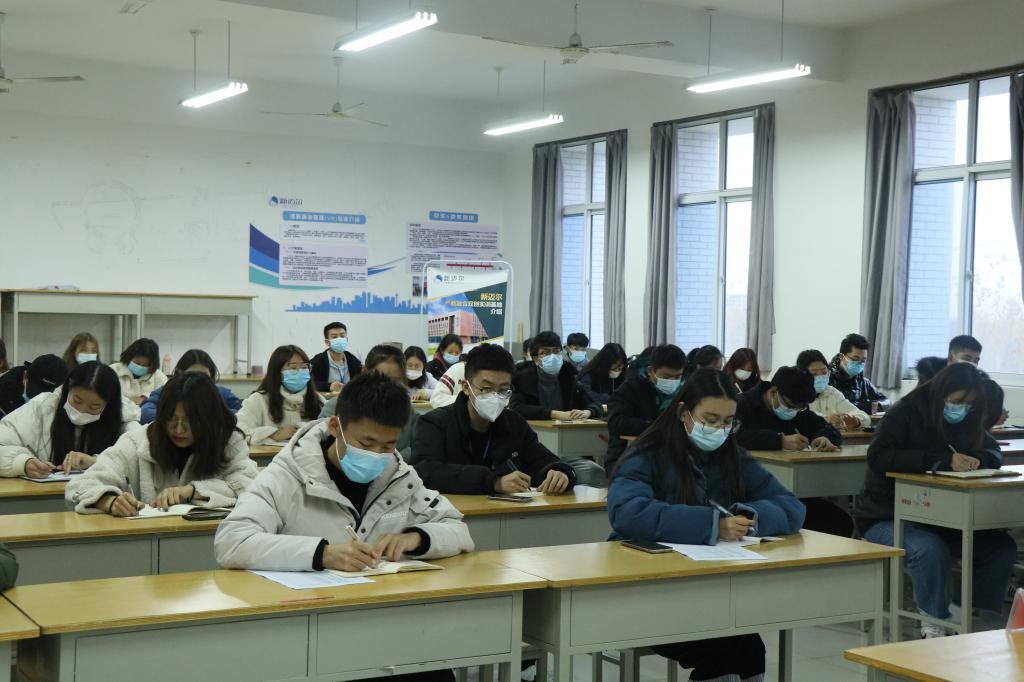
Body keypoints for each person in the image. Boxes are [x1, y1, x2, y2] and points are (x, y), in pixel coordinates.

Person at [608, 368, 805, 682]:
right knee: (721, 653)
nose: (719, 430)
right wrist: (713, 524)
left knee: (750, 648)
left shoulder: (732, 455)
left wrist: (751, 516)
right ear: (683, 412)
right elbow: (627, 512)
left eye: (728, 422)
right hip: (644, 588)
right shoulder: (647, 453)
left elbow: (791, 506)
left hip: (706, 587)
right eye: (710, 420)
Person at [214, 372, 474, 578]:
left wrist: (417, 537)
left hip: (380, 605)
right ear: (335, 427)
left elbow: (459, 531)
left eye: (388, 446)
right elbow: (231, 542)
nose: (376, 455)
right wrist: (322, 554)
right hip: (308, 610)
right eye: (366, 443)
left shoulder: (399, 476)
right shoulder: (287, 475)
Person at [854, 363, 1015, 638]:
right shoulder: (906, 412)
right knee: (929, 549)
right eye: (957, 401)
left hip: (941, 517)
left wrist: (980, 459)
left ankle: (964, 613)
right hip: (885, 514)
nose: (961, 408)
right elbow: (878, 456)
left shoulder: (968, 418)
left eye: (969, 404)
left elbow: (993, 451)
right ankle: (933, 623)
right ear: (942, 392)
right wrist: (938, 461)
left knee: (999, 547)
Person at [66, 372, 257, 515]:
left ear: (208, 419)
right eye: (171, 419)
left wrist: (192, 491)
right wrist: (108, 501)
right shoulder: (139, 441)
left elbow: (249, 484)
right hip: (149, 540)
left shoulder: (228, 440)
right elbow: (79, 486)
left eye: (190, 421)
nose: (179, 429)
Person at [413, 343, 577, 495]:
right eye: (486, 388)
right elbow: (424, 471)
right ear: (466, 387)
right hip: (452, 512)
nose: (495, 396)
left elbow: (541, 459)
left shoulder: (514, 424)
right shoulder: (435, 423)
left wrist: (560, 472)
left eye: (503, 390)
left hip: (507, 513)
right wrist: (493, 482)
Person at [736, 366, 852, 536]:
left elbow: (827, 428)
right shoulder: (742, 405)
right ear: (773, 392)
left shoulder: (798, 409)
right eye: (791, 406)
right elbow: (736, 436)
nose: (794, 412)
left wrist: (824, 438)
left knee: (840, 522)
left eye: (801, 408)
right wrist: (779, 440)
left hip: (794, 495)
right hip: (753, 495)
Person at [0, 362, 134, 478]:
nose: (82, 410)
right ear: (68, 387)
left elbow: (137, 460)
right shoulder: (43, 407)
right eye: (77, 400)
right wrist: (23, 463)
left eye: (94, 407)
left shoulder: (125, 419)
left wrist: (96, 461)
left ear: (108, 405)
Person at [320, 345, 419, 461]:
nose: (388, 387)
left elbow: (419, 448)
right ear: (365, 373)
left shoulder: (407, 412)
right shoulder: (337, 406)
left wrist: (392, 461)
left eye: (396, 381)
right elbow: (323, 445)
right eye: (381, 379)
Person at [605, 344, 686, 475]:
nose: (672, 381)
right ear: (650, 371)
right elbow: (616, 422)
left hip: (672, 458)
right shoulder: (629, 389)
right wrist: (657, 427)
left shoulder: (684, 392)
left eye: (677, 377)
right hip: (626, 458)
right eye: (666, 377)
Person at [237, 345, 324, 445]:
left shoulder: (317, 399)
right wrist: (273, 434)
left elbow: (331, 427)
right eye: (293, 368)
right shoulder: (258, 400)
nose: (300, 372)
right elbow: (238, 429)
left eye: (304, 367)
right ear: (277, 372)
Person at [510, 332, 603, 421]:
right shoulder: (523, 379)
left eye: (556, 351)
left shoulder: (569, 377)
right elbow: (516, 407)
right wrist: (553, 414)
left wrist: (588, 412)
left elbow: (595, 404)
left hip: (563, 430)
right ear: (536, 359)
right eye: (546, 352)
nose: (553, 356)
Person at [140, 349, 242, 424]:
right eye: (192, 375)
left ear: (211, 376)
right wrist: (180, 417)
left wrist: (209, 415)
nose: (198, 382)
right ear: (180, 373)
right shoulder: (167, 391)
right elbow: (144, 414)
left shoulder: (221, 393)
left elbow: (242, 414)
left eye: (204, 376)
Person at [796, 350, 870, 431]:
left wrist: (856, 421)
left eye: (824, 372)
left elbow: (864, 416)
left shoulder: (832, 392)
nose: (820, 377)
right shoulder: (795, 395)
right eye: (814, 374)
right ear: (802, 375)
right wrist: (826, 419)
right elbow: (799, 421)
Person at [827, 333, 888, 414]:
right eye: (855, 359)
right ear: (842, 357)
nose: (859, 363)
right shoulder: (826, 380)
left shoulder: (863, 382)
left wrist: (875, 406)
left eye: (863, 360)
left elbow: (886, 402)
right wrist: (864, 407)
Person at [0, 354, 69, 418]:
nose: (39, 399)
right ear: (25, 376)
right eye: (35, 393)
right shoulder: (3, 393)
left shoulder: (65, 402)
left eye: (47, 394)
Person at [110, 337, 167, 406]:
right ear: (129, 357)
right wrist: (129, 401)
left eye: (145, 365)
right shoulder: (113, 370)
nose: (140, 367)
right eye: (137, 363)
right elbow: (105, 396)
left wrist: (144, 397)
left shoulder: (159, 377)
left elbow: (164, 399)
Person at [310, 321, 362, 393]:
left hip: (349, 398)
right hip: (326, 399)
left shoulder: (352, 360)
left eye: (342, 336)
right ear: (327, 342)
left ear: (346, 340)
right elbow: (309, 383)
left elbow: (361, 381)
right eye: (334, 337)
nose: (339, 339)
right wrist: (329, 386)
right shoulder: (318, 361)